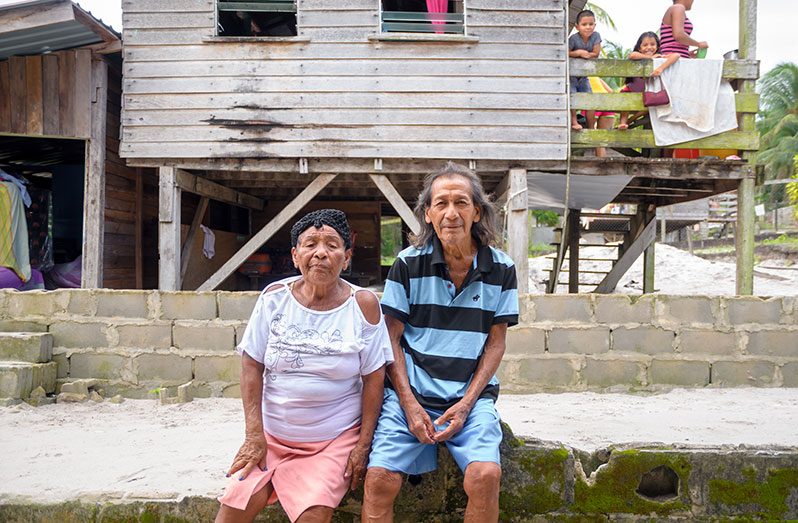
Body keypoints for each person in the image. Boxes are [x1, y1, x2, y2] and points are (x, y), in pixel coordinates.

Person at [362, 162, 519, 523]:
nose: (452, 213)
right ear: (428, 214)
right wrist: (410, 404)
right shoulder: (407, 263)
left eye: (461, 203)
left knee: (485, 477)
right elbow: (391, 338)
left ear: (477, 212)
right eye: (442, 204)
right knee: (379, 481)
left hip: (470, 396)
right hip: (410, 394)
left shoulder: (502, 268)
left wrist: (466, 404)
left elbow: (496, 344)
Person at [216, 209, 393, 523]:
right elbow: (251, 366)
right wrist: (254, 436)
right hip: (270, 438)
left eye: (332, 245)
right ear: (296, 256)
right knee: (232, 509)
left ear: (347, 257)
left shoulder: (363, 305)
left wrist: (363, 446)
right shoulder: (273, 299)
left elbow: (375, 380)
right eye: (310, 244)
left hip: (331, 441)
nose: (321, 253)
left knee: (314, 514)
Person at [618, 32, 681, 130]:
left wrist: (660, 68)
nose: (649, 47)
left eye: (652, 44)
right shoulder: (639, 56)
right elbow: (632, 55)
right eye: (645, 45)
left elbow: (676, 55)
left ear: (657, 46)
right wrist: (650, 58)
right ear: (639, 48)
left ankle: (631, 120)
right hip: (633, 89)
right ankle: (623, 122)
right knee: (626, 101)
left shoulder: (659, 57)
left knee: (651, 106)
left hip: (647, 93)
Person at [568, 10, 602, 131]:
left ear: (594, 25)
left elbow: (596, 53)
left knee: (590, 100)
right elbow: (565, 52)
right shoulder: (573, 39)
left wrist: (588, 55)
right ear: (577, 26)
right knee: (572, 98)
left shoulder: (596, 36)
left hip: (584, 77)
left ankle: (591, 126)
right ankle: (574, 121)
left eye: (591, 24)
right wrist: (578, 53)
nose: (588, 27)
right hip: (571, 77)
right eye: (584, 24)